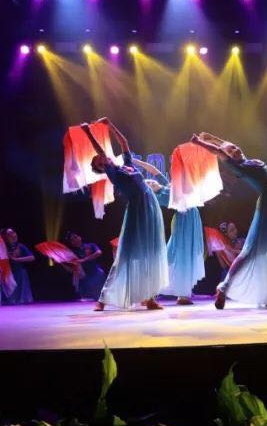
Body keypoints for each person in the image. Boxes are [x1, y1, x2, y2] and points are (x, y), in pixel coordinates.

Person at [191, 132, 267, 308]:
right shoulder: (239, 168)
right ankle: (224, 287)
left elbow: (226, 146)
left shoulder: (248, 161)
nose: (235, 150)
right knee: (250, 251)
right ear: (229, 158)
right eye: (231, 151)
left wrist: (213, 138)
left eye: (235, 148)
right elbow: (219, 152)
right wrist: (200, 142)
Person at [81, 118, 168, 311]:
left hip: (149, 205)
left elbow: (124, 143)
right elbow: (101, 152)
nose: (103, 159)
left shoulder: (126, 164)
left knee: (151, 253)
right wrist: (87, 132)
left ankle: (149, 298)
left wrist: (110, 125)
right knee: (126, 255)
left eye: (102, 159)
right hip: (137, 209)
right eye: (100, 162)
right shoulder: (112, 173)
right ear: (102, 167)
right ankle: (102, 299)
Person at [136, 158, 206, 306]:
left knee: (187, 254)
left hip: (193, 219)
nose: (152, 182)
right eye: (149, 185)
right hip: (183, 222)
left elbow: (154, 170)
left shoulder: (166, 184)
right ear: (150, 191)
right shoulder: (160, 196)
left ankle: (183, 294)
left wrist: (138, 162)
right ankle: (149, 293)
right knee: (174, 254)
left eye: (151, 181)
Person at [64, 231, 106, 300]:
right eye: (72, 240)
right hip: (84, 276)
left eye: (75, 237)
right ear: (71, 243)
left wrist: (84, 260)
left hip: (95, 271)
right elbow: (71, 270)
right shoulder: (72, 253)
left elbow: (99, 252)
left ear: (80, 237)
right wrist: (61, 263)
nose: (75, 240)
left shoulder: (90, 245)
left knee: (101, 274)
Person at [2, 228, 35, 304]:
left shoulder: (20, 246)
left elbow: (32, 257)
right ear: (5, 237)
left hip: (19, 271)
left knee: (21, 272)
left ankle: (19, 300)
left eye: (13, 233)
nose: (13, 235)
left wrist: (17, 259)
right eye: (9, 234)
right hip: (7, 272)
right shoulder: (2, 247)